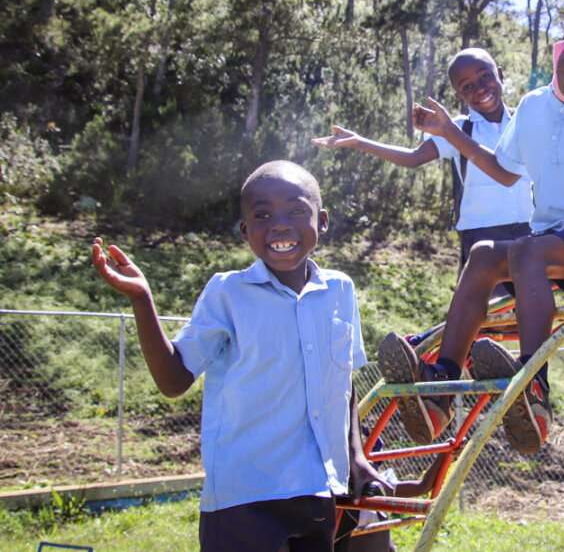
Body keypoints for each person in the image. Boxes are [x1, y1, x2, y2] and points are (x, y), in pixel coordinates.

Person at [378, 9, 564, 454]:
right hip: (553, 237)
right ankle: (440, 385)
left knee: (527, 252)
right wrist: (451, 132)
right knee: (485, 253)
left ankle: (535, 386)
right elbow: (501, 170)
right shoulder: (531, 107)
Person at [92, 160, 385, 551]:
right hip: (245, 501)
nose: (280, 225)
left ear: (323, 220)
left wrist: (357, 457)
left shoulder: (341, 291)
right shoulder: (227, 294)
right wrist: (142, 299)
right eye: (263, 215)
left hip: (318, 494)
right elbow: (174, 380)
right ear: (245, 230)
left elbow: (341, 382)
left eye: (297, 211)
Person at [312, 48, 532, 272]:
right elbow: (413, 158)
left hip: (529, 230)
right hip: (482, 234)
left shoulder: (523, 121)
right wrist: (360, 142)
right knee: (489, 305)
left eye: (485, 76)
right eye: (467, 86)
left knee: (531, 302)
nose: (480, 88)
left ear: (500, 75)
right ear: (459, 96)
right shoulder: (456, 129)